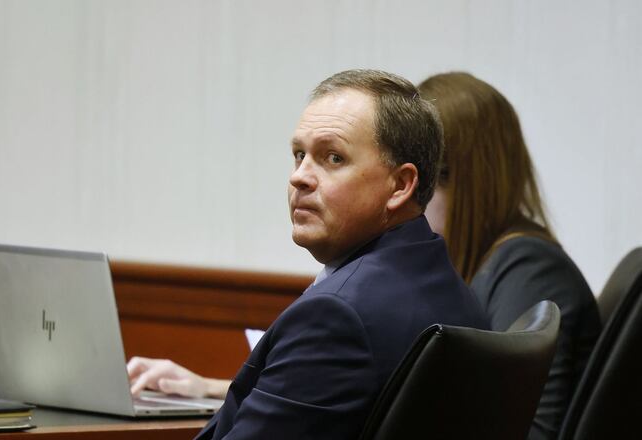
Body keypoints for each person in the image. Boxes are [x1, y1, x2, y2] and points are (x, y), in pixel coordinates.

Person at [132, 69, 488, 440]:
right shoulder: (458, 296)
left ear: (399, 185)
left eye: (333, 158)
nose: (300, 176)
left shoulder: (336, 317)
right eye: (299, 155)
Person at [418, 72, 601, 440]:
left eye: (420, 179)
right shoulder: (496, 262)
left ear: (465, 182)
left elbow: (525, 432)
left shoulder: (529, 270)